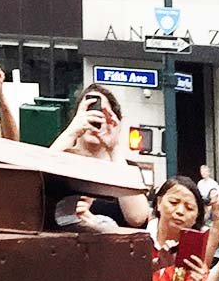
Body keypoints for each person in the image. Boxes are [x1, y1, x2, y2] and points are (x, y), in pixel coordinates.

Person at [52, 83, 150, 229]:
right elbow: (32, 185)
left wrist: (114, 147)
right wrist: (71, 131)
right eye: (89, 111)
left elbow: (137, 218)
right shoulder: (61, 158)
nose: (95, 118)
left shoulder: (126, 168)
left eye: (104, 114)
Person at [149, 176, 219, 281]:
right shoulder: (136, 241)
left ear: (196, 217)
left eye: (189, 208)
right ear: (159, 203)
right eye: (173, 203)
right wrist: (156, 265)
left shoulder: (193, 257)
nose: (180, 211)